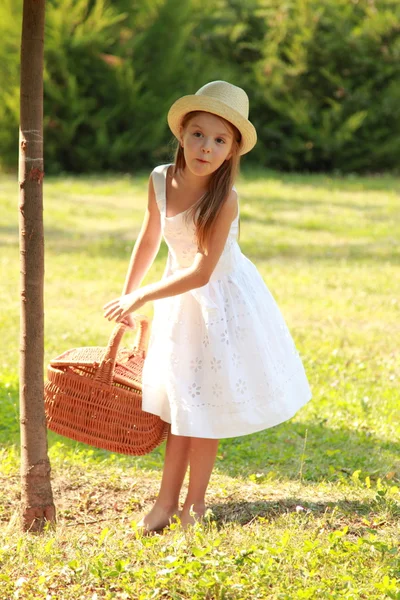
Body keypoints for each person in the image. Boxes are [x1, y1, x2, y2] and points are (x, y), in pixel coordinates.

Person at [103, 80, 312, 532]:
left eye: (220, 140)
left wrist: (143, 295)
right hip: (177, 302)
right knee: (181, 401)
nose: (206, 146)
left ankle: (194, 506)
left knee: (205, 404)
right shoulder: (161, 178)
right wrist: (128, 295)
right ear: (181, 132)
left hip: (220, 303)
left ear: (233, 150)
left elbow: (201, 271)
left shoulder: (224, 199)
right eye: (198, 133)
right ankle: (163, 503)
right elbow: (150, 237)